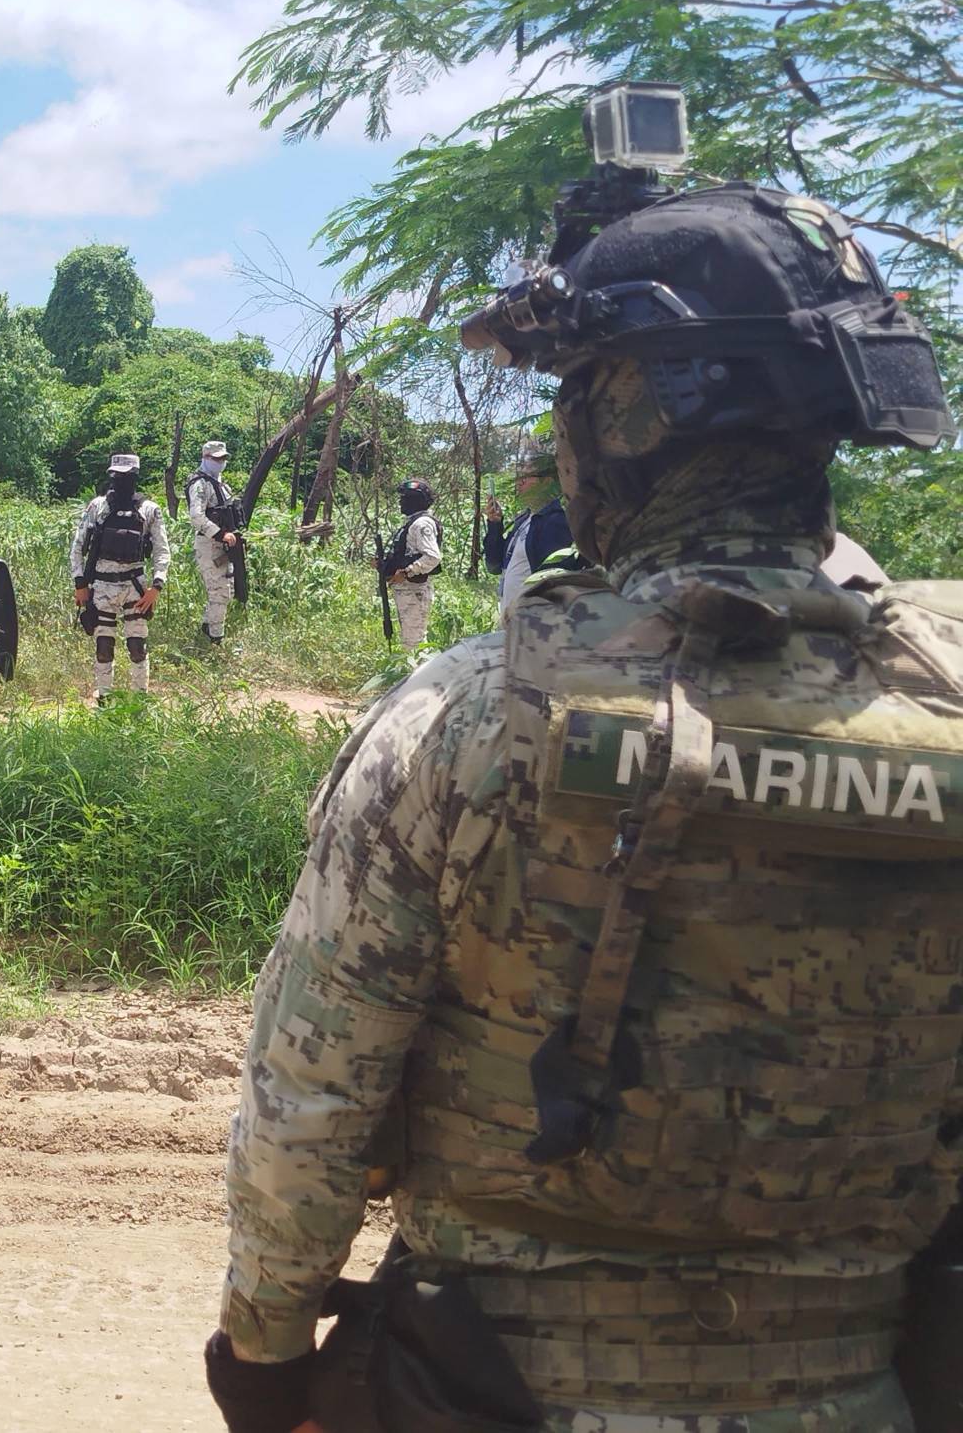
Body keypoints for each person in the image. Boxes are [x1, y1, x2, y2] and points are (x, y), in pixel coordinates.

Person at [206, 179, 962, 1431]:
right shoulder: (943, 700)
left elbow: (312, 1097)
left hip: (494, 1384)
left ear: (623, 416)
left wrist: (263, 1353)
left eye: (567, 394)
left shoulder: (465, 714)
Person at [70, 452, 169, 695]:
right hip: (102, 587)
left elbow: (162, 551)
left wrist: (156, 586)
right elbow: (78, 546)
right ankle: (104, 698)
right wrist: (80, 583)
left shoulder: (149, 510)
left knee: (137, 647)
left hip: (135, 587)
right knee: (103, 647)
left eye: (126, 477)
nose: (121, 482)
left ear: (135, 477)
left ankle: (139, 699)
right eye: (117, 477)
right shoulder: (97, 507)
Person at [483, 435, 578, 614]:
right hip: (513, 621)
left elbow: (556, 584)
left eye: (526, 477)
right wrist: (495, 524)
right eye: (519, 477)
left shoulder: (555, 522)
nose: (519, 483)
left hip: (535, 623)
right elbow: (494, 565)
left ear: (547, 482)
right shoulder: (524, 521)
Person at [186, 439, 244, 643]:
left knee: (226, 589)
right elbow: (196, 517)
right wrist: (220, 534)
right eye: (217, 459)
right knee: (220, 593)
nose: (221, 463)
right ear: (205, 458)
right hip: (210, 545)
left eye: (223, 459)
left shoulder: (221, 484)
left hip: (225, 545)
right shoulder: (200, 484)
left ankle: (207, 627)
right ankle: (216, 639)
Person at [378, 477, 441, 650]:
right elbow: (406, 554)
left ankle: (419, 668)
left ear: (416, 500)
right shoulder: (412, 523)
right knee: (410, 639)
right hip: (408, 591)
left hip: (414, 590)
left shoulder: (421, 524)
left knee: (414, 643)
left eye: (405, 498)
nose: (401, 502)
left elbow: (433, 557)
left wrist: (407, 572)